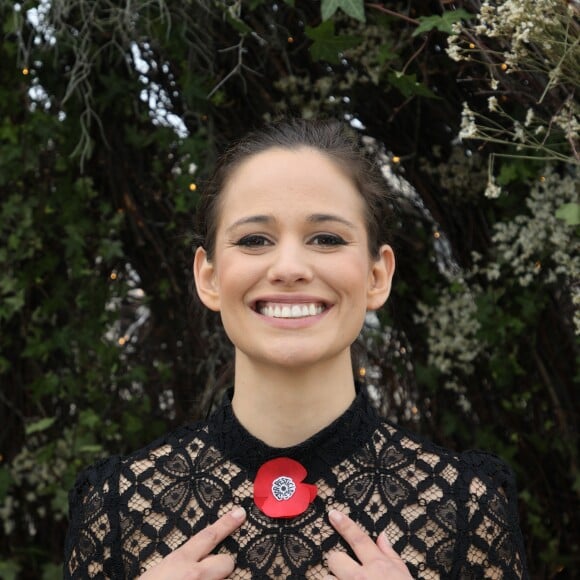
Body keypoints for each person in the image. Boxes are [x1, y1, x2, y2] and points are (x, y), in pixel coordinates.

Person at [64, 119, 528, 579]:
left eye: (326, 239)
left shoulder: (466, 507)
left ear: (376, 276)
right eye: (254, 240)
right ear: (208, 277)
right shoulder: (116, 509)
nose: (288, 267)